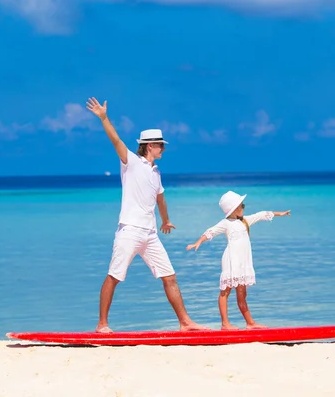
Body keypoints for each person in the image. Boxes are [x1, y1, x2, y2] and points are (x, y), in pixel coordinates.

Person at [85, 97, 208, 334]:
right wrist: (103, 117)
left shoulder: (156, 172)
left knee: (169, 276)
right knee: (114, 276)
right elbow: (116, 139)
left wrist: (166, 220)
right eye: (161, 145)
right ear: (150, 146)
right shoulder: (130, 161)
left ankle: (185, 323)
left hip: (150, 234)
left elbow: (160, 198)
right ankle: (102, 325)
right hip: (129, 230)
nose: (164, 148)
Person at [186, 190, 290, 330]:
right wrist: (198, 242)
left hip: (243, 262)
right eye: (242, 206)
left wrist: (280, 214)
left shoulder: (245, 220)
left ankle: (250, 323)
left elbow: (261, 214)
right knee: (225, 291)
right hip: (231, 261)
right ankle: (225, 324)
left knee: (242, 293)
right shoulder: (226, 223)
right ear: (234, 209)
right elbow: (211, 231)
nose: (244, 207)